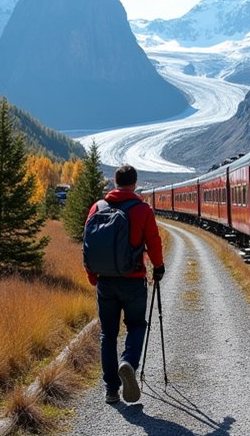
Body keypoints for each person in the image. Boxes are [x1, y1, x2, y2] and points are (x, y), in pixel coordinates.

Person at [86, 165, 165, 404]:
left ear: (115, 181)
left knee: (107, 334)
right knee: (137, 326)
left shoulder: (97, 208)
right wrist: (158, 268)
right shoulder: (142, 209)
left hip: (105, 282)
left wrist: (93, 276)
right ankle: (128, 362)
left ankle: (111, 390)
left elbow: (88, 246)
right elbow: (153, 241)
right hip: (133, 281)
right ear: (135, 183)